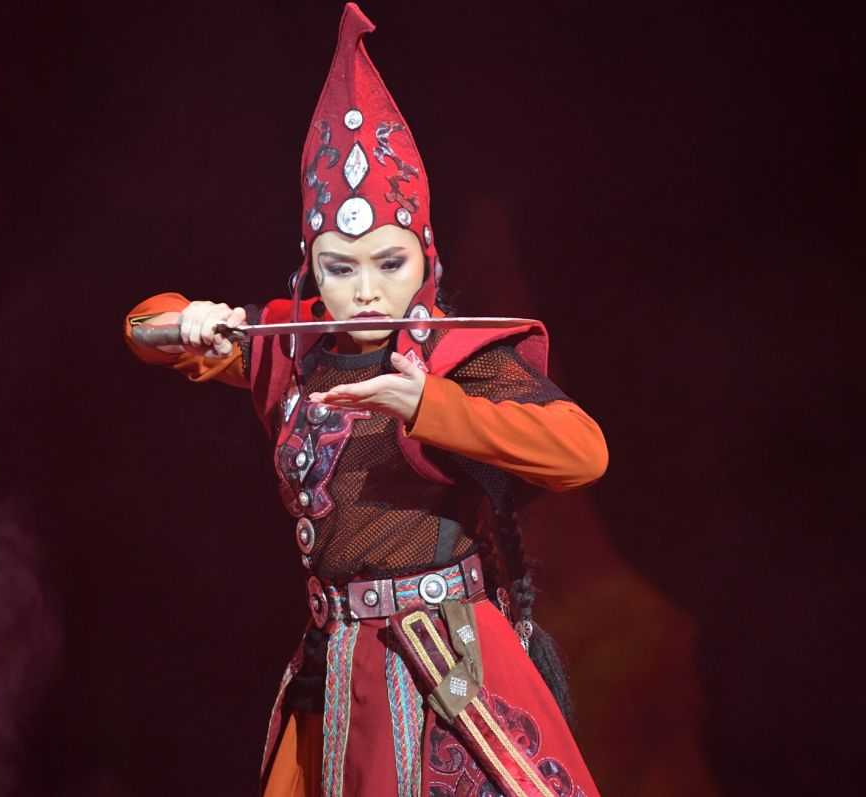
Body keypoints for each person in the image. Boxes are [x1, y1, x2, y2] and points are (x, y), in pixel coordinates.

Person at [124, 5, 608, 796]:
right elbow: (143, 330)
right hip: (335, 667)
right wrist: (190, 321)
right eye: (341, 269)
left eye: (390, 263)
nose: (368, 291)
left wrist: (428, 405)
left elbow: (584, 453)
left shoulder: (455, 357)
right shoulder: (292, 342)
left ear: (426, 256)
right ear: (312, 266)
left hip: (442, 671)